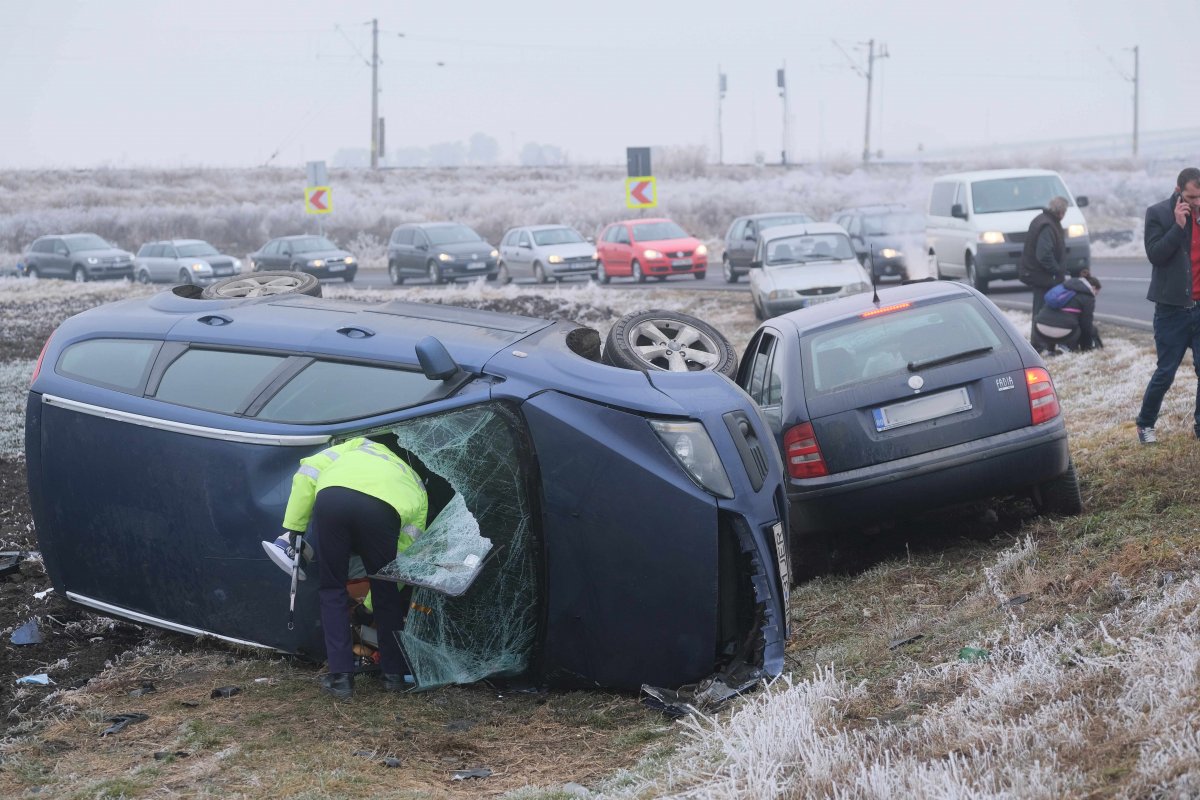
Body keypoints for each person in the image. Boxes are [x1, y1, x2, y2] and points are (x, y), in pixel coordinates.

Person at [274, 436, 428, 700]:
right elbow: (402, 558)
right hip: (383, 510)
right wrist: (369, 605)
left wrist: (294, 530)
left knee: (332, 588)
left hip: (333, 498)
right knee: (386, 591)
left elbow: (307, 473)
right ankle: (393, 677)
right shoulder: (415, 482)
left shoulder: (355, 445)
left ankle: (341, 678)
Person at [1135, 167, 1200, 445]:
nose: (1197, 202)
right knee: (1166, 373)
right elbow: (1156, 255)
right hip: (1172, 310)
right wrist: (1178, 227)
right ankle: (1145, 424)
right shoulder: (1158, 213)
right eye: (1192, 197)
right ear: (1179, 192)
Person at [1018, 196, 1070, 353]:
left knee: (1040, 310)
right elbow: (1044, 254)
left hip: (1038, 274)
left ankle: (1043, 344)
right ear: (1061, 212)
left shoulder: (1043, 220)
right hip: (1043, 277)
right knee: (1042, 311)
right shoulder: (1048, 225)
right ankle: (1040, 345)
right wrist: (1057, 270)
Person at [1033, 272, 1102, 352]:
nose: (1095, 296)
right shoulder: (1088, 296)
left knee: (1054, 317)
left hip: (1039, 329)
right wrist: (1086, 348)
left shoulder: (1061, 288)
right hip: (1063, 333)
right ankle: (1068, 348)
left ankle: (1050, 350)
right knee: (1080, 326)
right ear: (1093, 288)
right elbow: (1086, 326)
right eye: (1096, 293)